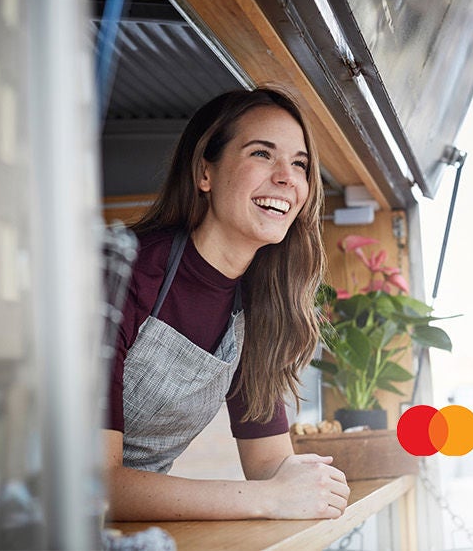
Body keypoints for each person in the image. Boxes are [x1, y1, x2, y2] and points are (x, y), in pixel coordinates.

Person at [104, 87, 350, 521]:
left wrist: (309, 479)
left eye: (300, 164)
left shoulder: (260, 308)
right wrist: (270, 499)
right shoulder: (120, 273)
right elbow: (93, 484)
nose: (286, 177)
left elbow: (269, 464)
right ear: (205, 173)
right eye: (261, 154)